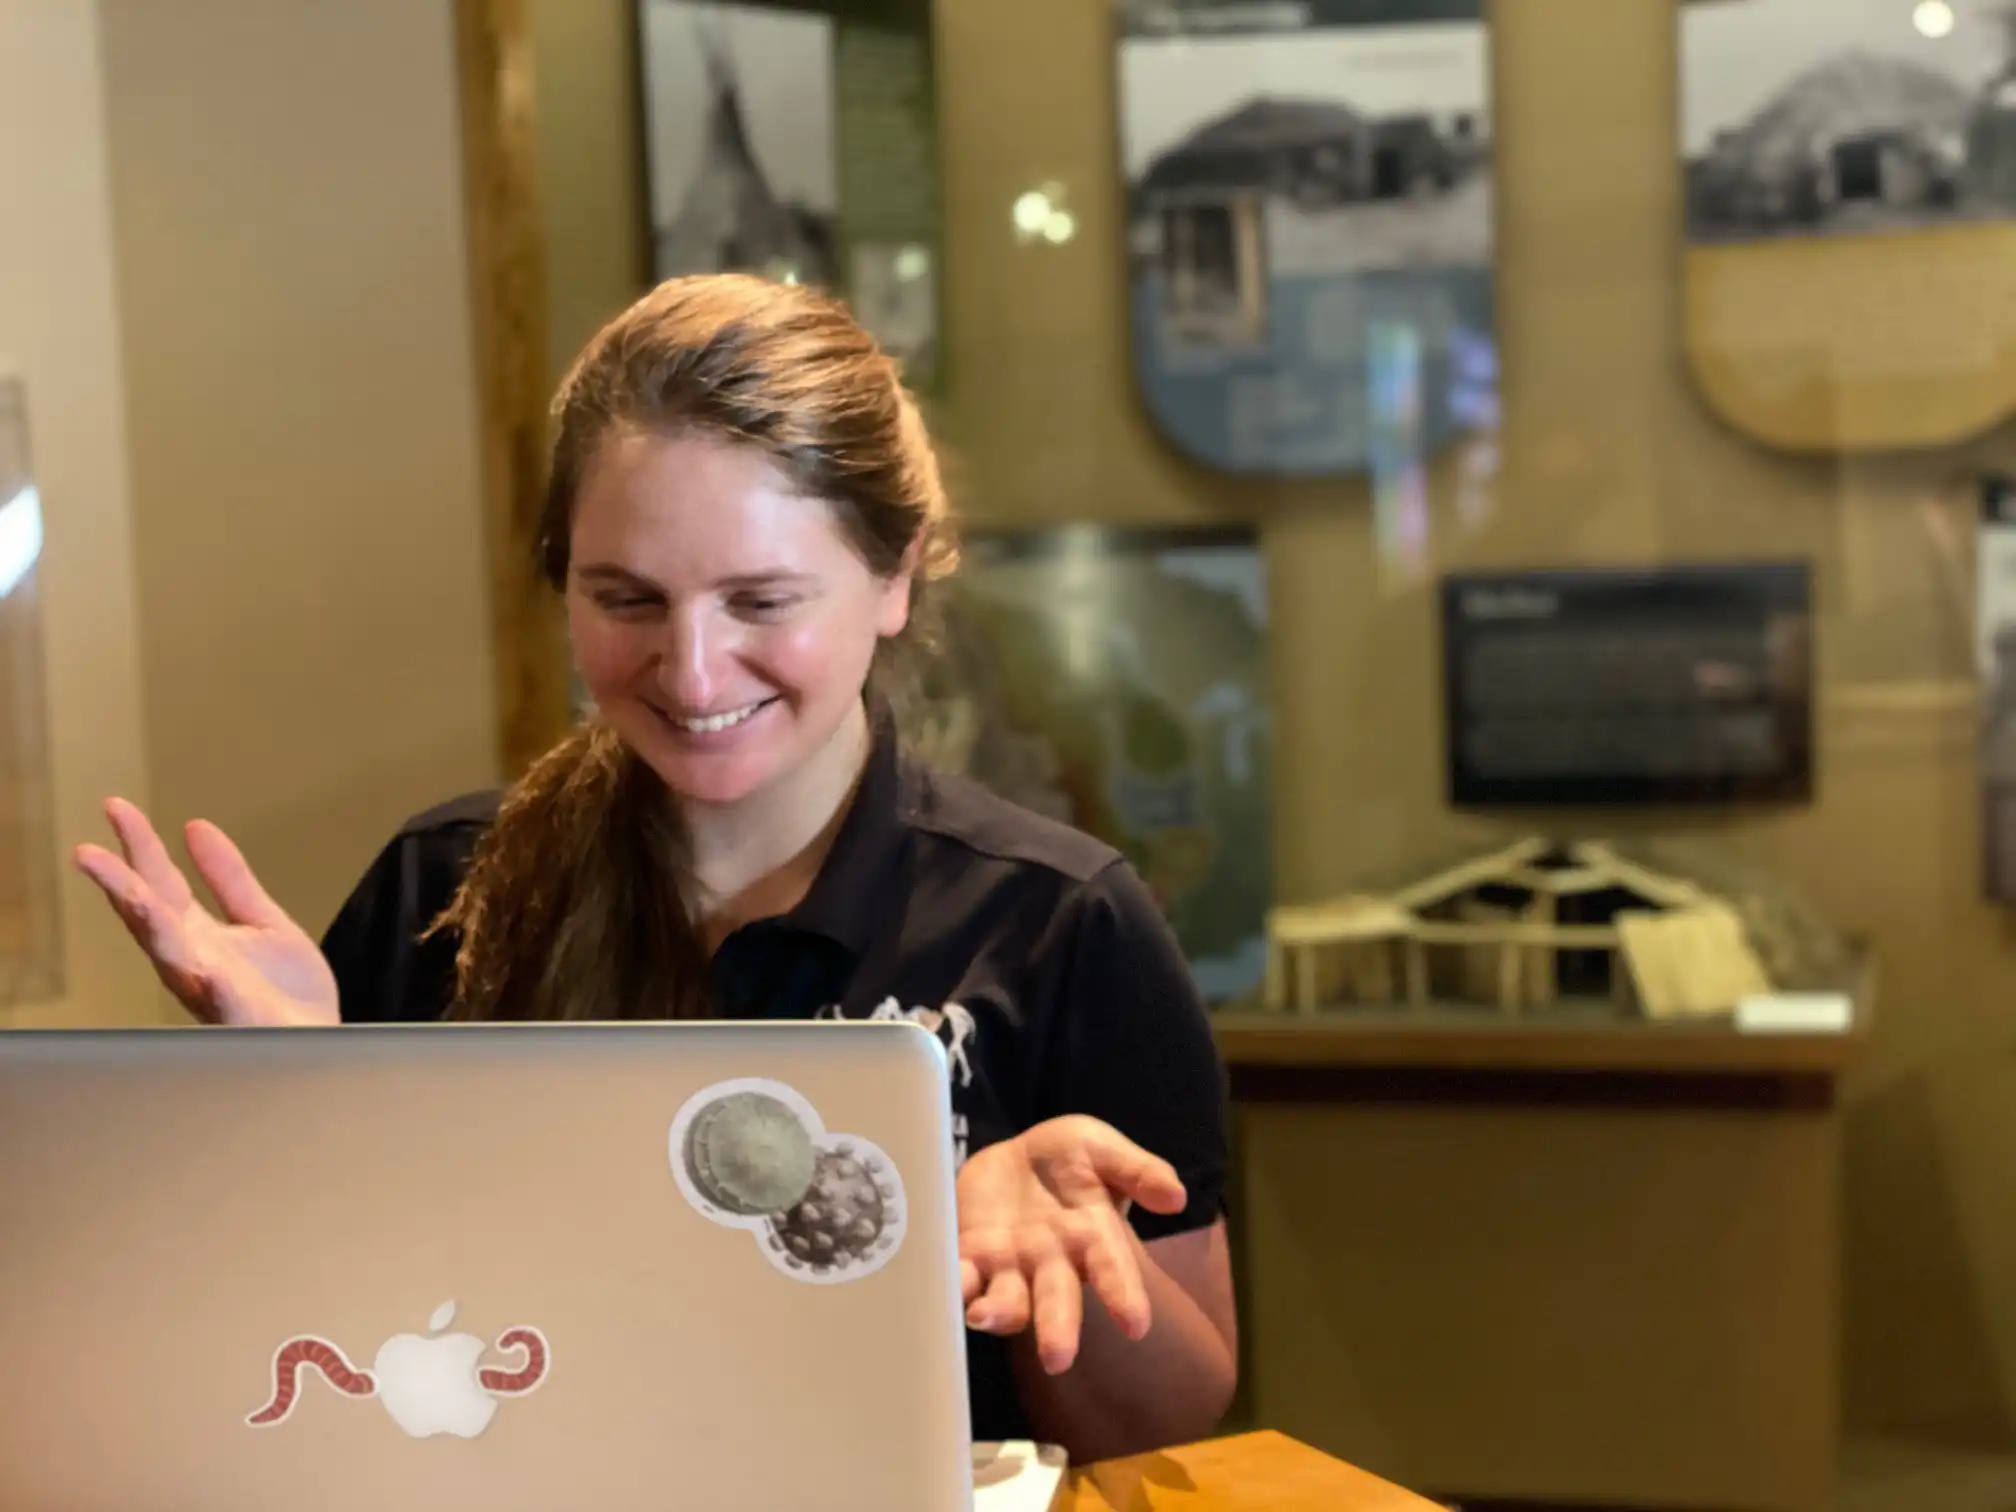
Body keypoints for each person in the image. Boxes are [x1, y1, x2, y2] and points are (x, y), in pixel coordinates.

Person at [74, 272, 1236, 1463]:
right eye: (625, 600)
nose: (689, 672)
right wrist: (297, 1114)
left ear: (895, 579)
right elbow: (317, 1386)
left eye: (761, 600)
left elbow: (1175, 1426)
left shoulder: (1058, 921)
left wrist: (1054, 1257)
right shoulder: (441, 891)